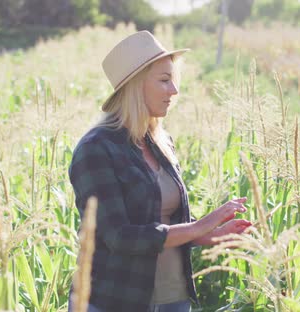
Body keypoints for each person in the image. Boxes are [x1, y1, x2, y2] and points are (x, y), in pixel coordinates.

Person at [68, 30, 252, 312]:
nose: (174, 91)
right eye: (165, 81)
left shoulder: (160, 142)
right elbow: (118, 236)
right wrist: (198, 226)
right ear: (135, 85)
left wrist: (211, 235)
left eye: (174, 80)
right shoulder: (96, 150)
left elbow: (164, 222)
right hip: (116, 301)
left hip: (172, 298)